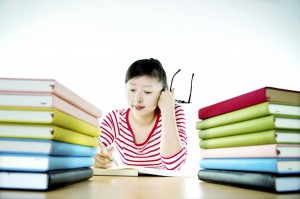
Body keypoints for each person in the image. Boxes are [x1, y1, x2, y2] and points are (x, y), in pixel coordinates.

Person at [94, 58, 187, 170]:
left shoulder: (174, 112)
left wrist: (168, 109)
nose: (137, 99)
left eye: (147, 92)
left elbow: (174, 165)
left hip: (165, 187)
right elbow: (94, 147)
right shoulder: (115, 119)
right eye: (132, 90)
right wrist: (96, 156)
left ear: (163, 93)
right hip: (129, 186)